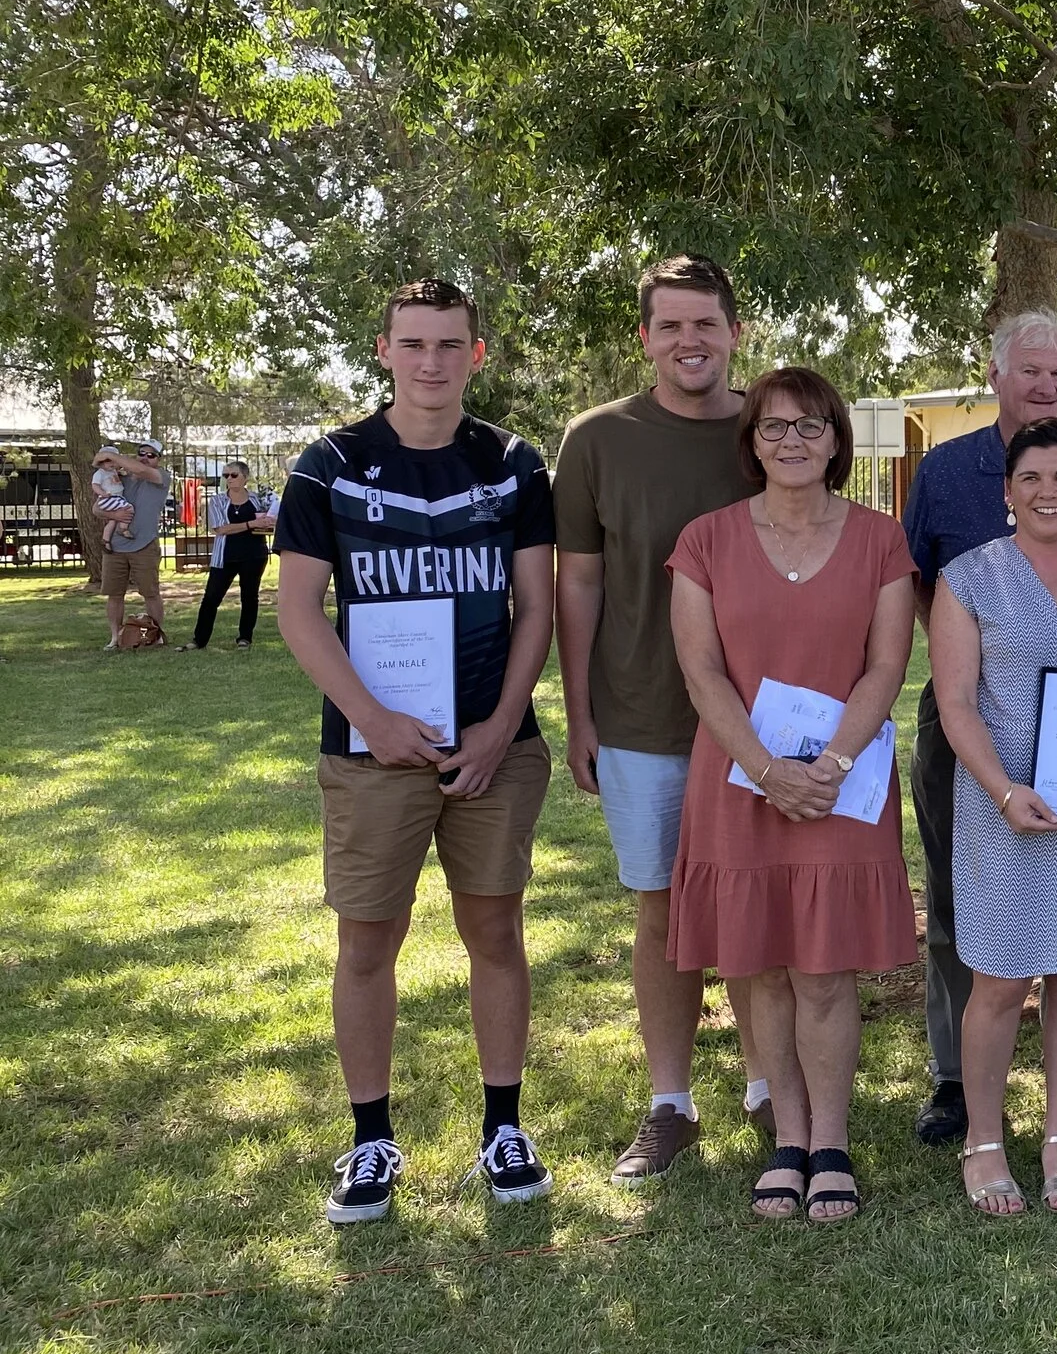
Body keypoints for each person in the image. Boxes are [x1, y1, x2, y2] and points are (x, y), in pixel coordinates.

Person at [274, 279, 558, 1224]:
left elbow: (537, 609)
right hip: (372, 754)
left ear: (478, 352)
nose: (431, 360)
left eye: (450, 344)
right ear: (385, 349)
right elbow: (298, 612)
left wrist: (499, 724)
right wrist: (374, 717)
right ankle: (369, 1139)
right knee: (367, 943)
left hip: (491, 748)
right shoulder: (330, 463)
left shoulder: (515, 464)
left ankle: (503, 1126)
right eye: (414, 343)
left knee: (495, 933)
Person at [900, 311, 1057, 1145]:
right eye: (1031, 370)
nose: (1046, 383)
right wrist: (1002, 777)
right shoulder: (948, 487)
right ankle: (967, 1102)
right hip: (992, 767)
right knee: (977, 939)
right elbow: (926, 615)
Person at [666, 366, 918, 1223]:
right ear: (751, 443)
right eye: (774, 428)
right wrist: (771, 770)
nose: (792, 442)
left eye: (810, 426)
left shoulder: (883, 539)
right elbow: (701, 670)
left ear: (838, 439)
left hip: (843, 784)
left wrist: (829, 766)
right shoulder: (705, 540)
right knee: (763, 964)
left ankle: (833, 1143)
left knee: (823, 968)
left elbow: (888, 664)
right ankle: (788, 1138)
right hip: (739, 780)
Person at [554, 254, 776, 1185]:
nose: (690, 340)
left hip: (766, 724)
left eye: (706, 323)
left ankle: (772, 1093)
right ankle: (670, 1102)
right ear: (644, 338)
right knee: (662, 913)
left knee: (760, 908)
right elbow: (578, 581)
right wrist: (578, 711)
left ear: (736, 332)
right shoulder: (597, 439)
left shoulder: (772, 428)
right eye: (671, 325)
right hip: (642, 715)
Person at [184, 461, 275, 649]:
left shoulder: (257, 499)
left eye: (233, 475)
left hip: (254, 555)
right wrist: (250, 524)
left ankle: (245, 638)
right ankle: (199, 640)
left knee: (250, 597)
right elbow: (221, 529)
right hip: (225, 557)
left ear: (245, 477)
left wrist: (266, 523)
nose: (229, 480)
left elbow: (268, 522)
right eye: (225, 476)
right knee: (211, 598)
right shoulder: (217, 500)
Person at [94, 440, 169, 649]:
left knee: (150, 592)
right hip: (115, 548)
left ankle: (157, 635)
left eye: (151, 455)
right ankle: (115, 638)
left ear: (159, 460)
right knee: (114, 594)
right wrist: (113, 514)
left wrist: (107, 456)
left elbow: (139, 469)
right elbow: (96, 509)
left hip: (145, 544)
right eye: (141, 453)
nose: (145, 457)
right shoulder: (119, 480)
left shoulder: (160, 477)